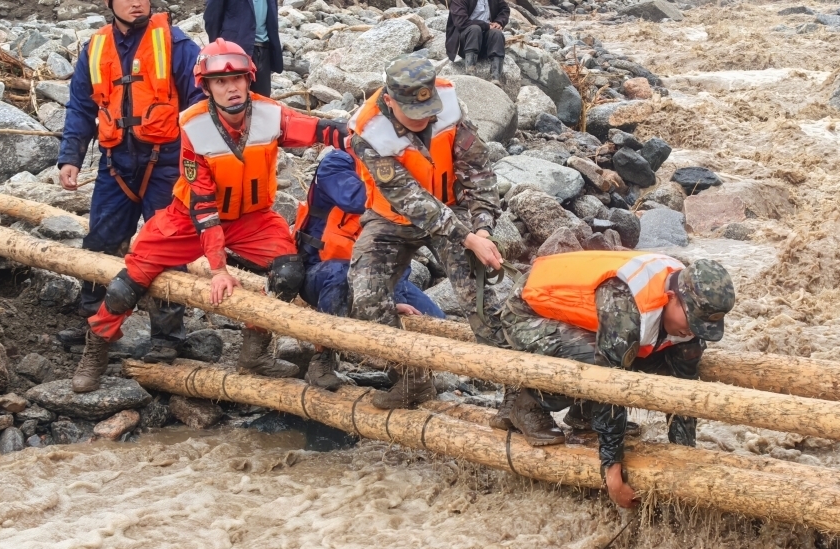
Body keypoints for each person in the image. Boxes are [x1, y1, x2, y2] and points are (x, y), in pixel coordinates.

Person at [71, 39, 348, 393]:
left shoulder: (271, 114)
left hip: (252, 218)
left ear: (249, 79)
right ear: (206, 87)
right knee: (129, 282)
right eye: (220, 81)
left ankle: (254, 351)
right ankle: (96, 348)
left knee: (289, 272)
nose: (231, 88)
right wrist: (218, 270)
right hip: (187, 219)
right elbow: (202, 206)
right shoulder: (193, 126)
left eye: (237, 79)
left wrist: (356, 139)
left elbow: (321, 129)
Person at [499, 250, 735, 508]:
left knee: (643, 357)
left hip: (588, 319)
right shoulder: (627, 304)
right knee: (599, 361)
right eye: (692, 323)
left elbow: (682, 387)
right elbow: (609, 384)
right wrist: (612, 470)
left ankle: (583, 414)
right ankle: (528, 403)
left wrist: (684, 458)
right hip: (528, 311)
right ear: (671, 298)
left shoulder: (688, 318)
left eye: (701, 327)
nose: (692, 332)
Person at [348, 55, 508, 409]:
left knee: (481, 297)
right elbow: (409, 199)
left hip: (451, 207)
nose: (423, 119)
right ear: (389, 101)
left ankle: (519, 397)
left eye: (428, 110)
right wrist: (467, 237)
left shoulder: (449, 106)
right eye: (413, 114)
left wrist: (482, 229)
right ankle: (411, 378)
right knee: (366, 294)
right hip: (392, 219)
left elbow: (478, 170)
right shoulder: (368, 131)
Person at [57, 0, 204, 362]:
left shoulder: (175, 43)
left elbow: (200, 100)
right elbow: (81, 107)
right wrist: (70, 157)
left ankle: (167, 336)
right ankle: (95, 325)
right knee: (99, 243)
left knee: (166, 249)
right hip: (115, 164)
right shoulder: (95, 48)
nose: (136, 2)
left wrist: (201, 162)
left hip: (166, 164)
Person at [293, 149, 446, 391]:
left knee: (436, 322)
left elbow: (398, 254)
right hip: (322, 273)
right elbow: (354, 198)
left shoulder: (400, 175)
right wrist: (405, 193)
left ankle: (406, 375)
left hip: (375, 280)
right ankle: (323, 360)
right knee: (342, 275)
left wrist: (391, 297)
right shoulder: (336, 164)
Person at [204, 0, 281, 97]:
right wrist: (219, 48)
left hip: (263, 49)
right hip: (233, 51)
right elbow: (212, 18)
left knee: (261, 98)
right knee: (233, 97)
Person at [445, 0, 509, 84]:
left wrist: (499, 22)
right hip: (465, 44)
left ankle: (496, 77)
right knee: (475, 29)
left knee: (497, 33)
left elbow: (505, 9)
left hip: (484, 43)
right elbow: (461, 22)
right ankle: (470, 71)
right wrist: (486, 25)